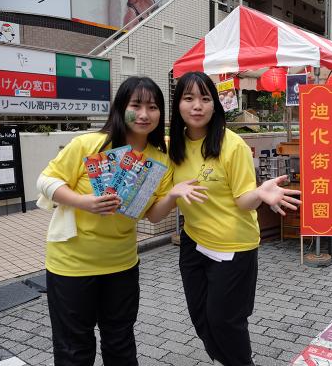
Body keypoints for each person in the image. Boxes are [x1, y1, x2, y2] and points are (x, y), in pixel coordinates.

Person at [37, 76, 206, 365]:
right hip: (71, 265)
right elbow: (46, 180)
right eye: (135, 105)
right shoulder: (90, 143)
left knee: (120, 341)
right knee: (73, 348)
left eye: (152, 107)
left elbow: (153, 216)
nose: (143, 114)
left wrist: (173, 194)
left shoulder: (160, 159)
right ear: (120, 108)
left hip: (122, 265)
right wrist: (85, 203)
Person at [166, 71, 301, 366]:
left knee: (225, 320)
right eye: (188, 98)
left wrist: (262, 193)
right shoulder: (172, 146)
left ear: (215, 104)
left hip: (233, 246)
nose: (197, 106)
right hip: (194, 243)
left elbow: (243, 200)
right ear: (178, 105)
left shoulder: (232, 145)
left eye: (205, 98)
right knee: (201, 318)